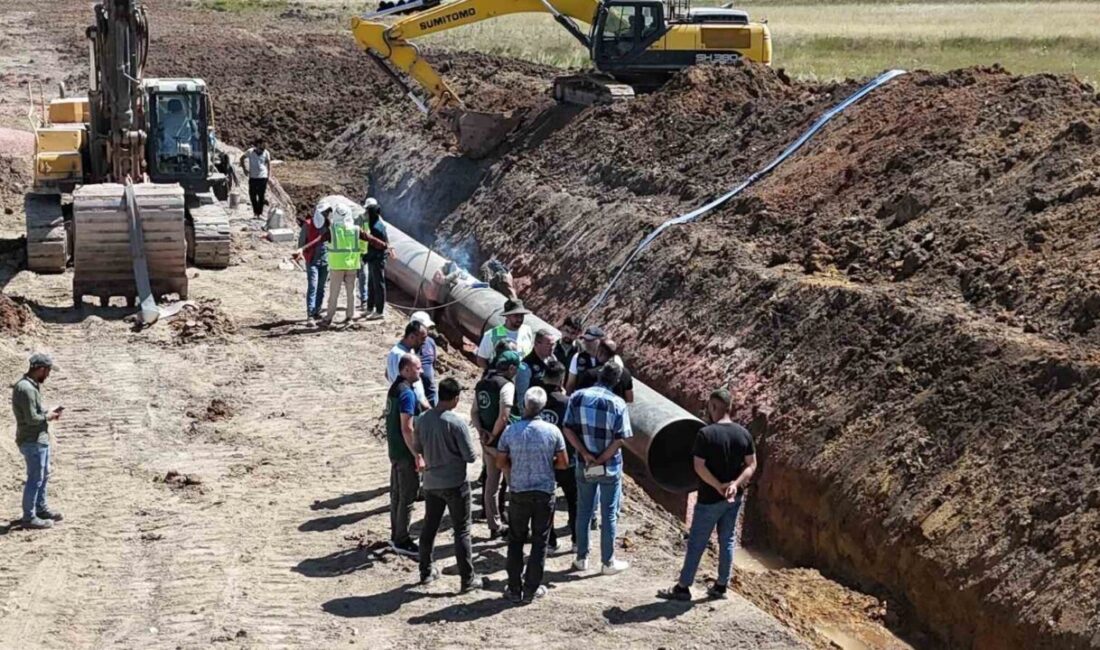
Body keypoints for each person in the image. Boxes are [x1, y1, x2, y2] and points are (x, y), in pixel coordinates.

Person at [658, 389, 756, 601]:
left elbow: (699, 466)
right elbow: (751, 465)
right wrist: (734, 485)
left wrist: (717, 485)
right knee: (727, 540)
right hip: (734, 498)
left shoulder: (706, 434)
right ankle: (721, 586)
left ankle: (683, 587)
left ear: (713, 407)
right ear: (730, 407)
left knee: (697, 542)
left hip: (709, 500)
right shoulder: (743, 433)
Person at [411, 378, 487, 592]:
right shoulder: (456, 423)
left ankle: (425, 571)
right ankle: (467, 579)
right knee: (462, 531)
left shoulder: (422, 420)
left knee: (429, 527)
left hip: (431, 483)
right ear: (455, 399)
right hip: (455, 483)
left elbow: (417, 447)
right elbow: (470, 456)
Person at [497, 387, 568, 603]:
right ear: (543, 407)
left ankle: (514, 587)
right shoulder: (553, 431)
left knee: (516, 540)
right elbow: (563, 462)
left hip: (519, 490)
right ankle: (531, 588)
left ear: (524, 406)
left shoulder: (511, 431)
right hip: (544, 492)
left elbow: (500, 462)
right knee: (540, 541)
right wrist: (548, 462)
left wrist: (515, 463)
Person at [563, 360, 632, 575]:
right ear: (617, 380)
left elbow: (567, 428)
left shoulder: (578, 397)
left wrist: (585, 454)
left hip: (585, 464)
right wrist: (601, 458)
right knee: (609, 513)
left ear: (600, 374)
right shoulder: (618, 404)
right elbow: (621, 439)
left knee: (584, 510)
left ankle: (581, 557)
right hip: (609, 466)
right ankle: (607, 562)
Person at [472, 351, 521, 540]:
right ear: (511, 368)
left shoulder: (482, 383)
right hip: (503, 444)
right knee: (513, 485)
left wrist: (482, 434)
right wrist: (493, 436)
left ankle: (494, 525)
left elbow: (474, 412)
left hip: (487, 444)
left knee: (491, 484)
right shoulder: (506, 386)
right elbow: (504, 415)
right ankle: (516, 526)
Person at [11, 353, 64, 530]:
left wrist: (47, 412)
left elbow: (34, 413)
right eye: (47, 371)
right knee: (35, 478)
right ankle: (29, 517)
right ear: (40, 369)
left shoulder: (30, 386)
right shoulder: (26, 388)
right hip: (32, 440)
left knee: (43, 475)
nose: (48, 375)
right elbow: (32, 418)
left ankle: (40, 509)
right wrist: (48, 415)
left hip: (38, 438)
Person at [385, 353, 425, 557]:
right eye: (418, 367)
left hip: (394, 451)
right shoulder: (407, 393)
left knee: (397, 495)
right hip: (405, 453)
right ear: (406, 369)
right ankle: (402, 539)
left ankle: (396, 535)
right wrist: (417, 454)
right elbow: (407, 428)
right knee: (408, 496)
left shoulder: (395, 388)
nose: (422, 370)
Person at [538, 361, 576, 553]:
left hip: (543, 461)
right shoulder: (567, 402)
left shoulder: (536, 399)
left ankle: (550, 541)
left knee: (547, 503)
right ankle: (577, 541)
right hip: (566, 459)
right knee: (573, 500)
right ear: (561, 379)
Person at [320, 204, 364, 326]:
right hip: (352, 265)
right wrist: (386, 245)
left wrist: (303, 248)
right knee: (351, 293)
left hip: (337, 266)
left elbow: (318, 240)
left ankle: (329, 318)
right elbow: (369, 239)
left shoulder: (332, 230)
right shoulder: (356, 229)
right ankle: (350, 317)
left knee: (334, 292)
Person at [293, 201, 330, 324]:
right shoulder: (308, 225)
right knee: (313, 286)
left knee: (321, 287)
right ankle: (310, 314)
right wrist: (300, 254)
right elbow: (302, 242)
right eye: (325, 212)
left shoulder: (328, 224)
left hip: (325, 260)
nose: (326, 214)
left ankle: (317, 311)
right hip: (312, 260)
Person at [476, 299, 535, 370]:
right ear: (507, 316)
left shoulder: (527, 330)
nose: (519, 319)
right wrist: (495, 374)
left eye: (521, 315)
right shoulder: (493, 334)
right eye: (516, 316)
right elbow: (481, 360)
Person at [386, 320, 431, 412]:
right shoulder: (402, 356)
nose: (424, 342)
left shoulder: (398, 351)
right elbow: (412, 383)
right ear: (411, 337)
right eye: (422, 339)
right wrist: (425, 405)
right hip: (410, 404)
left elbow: (387, 374)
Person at [359, 197, 391, 320]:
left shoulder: (378, 227)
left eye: (367, 211)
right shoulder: (374, 224)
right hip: (373, 259)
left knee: (378, 285)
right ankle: (369, 308)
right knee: (371, 283)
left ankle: (379, 311)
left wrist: (366, 258)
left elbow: (378, 247)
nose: (366, 214)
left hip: (377, 259)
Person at [411, 311, 439, 406]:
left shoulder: (430, 342)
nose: (427, 330)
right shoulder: (406, 348)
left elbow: (433, 363)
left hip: (430, 393)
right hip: (415, 394)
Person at [565, 326, 605, 393]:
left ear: (600, 341)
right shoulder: (577, 357)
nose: (586, 342)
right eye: (585, 339)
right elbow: (570, 384)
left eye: (590, 340)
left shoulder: (609, 359)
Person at [239, 139, 272, 218]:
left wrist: (269, 175)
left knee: (261, 196)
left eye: (263, 149)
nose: (262, 150)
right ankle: (255, 212)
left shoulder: (266, 153)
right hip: (253, 177)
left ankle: (259, 213)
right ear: (257, 146)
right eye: (260, 148)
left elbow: (268, 164)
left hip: (262, 177)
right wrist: (244, 169)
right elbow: (242, 158)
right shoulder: (250, 152)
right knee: (252, 195)